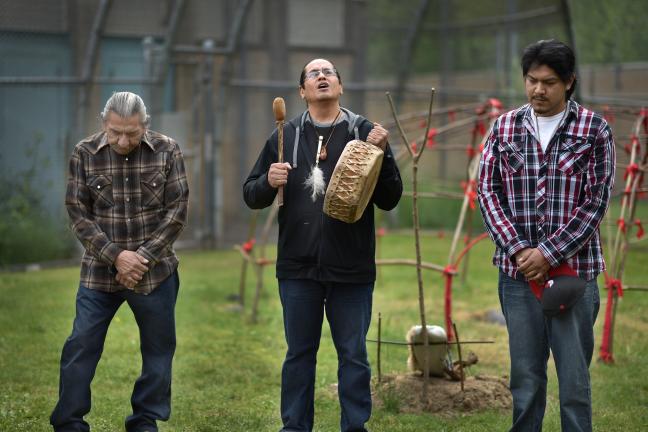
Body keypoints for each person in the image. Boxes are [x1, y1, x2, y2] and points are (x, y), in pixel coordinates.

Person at [243, 58, 402, 432]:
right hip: (298, 268)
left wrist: (384, 153)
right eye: (312, 74)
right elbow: (252, 195)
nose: (321, 76)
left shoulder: (364, 131)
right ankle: (295, 427)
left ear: (340, 86)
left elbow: (390, 198)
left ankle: (354, 427)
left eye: (328, 72)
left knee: (353, 355)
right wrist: (268, 179)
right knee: (299, 355)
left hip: (352, 267)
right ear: (303, 92)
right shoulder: (284, 136)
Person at [478, 40, 615, 431]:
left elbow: (597, 201)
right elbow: (488, 192)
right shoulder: (504, 128)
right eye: (532, 80)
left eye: (549, 82)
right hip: (518, 277)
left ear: (569, 82)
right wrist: (521, 250)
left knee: (573, 381)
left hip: (574, 275)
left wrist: (549, 253)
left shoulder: (594, 130)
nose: (539, 90)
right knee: (525, 379)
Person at [50, 92, 189, 432]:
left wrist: (140, 258)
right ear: (104, 124)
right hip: (99, 274)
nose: (123, 141)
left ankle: (144, 420)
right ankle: (69, 422)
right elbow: (78, 214)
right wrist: (117, 256)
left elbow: (177, 211)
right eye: (115, 132)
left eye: (132, 132)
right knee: (81, 345)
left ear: (146, 125)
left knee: (158, 352)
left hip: (154, 272)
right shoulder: (84, 153)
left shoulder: (168, 150)